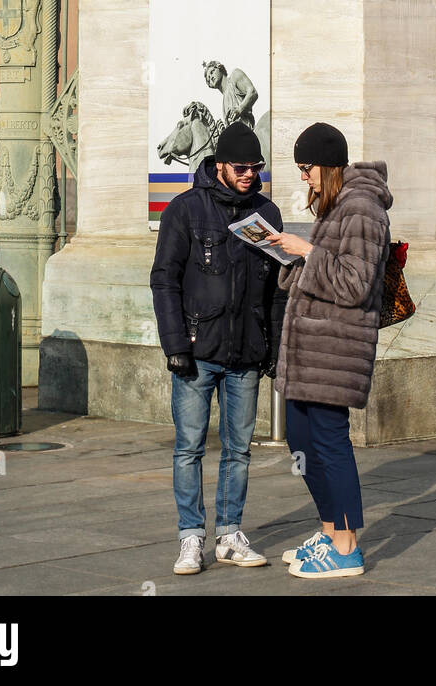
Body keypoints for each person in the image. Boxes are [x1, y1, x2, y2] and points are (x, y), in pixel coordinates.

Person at [150, 121, 286, 574]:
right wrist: (175, 345)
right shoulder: (184, 210)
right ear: (220, 165)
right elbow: (164, 280)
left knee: (239, 449)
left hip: (246, 352)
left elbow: (276, 288)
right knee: (188, 447)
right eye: (242, 167)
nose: (249, 174)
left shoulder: (267, 213)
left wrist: (273, 345)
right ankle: (191, 537)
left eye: (256, 167)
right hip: (195, 352)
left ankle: (229, 535)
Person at [267, 123, 391, 580]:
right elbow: (329, 270)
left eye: (307, 168)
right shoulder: (338, 206)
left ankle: (346, 548)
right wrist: (292, 257)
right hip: (310, 350)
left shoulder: (362, 209)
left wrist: (308, 251)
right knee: (300, 439)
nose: (304, 177)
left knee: (329, 443)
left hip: (335, 349)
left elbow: (355, 284)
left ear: (329, 165)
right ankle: (328, 530)